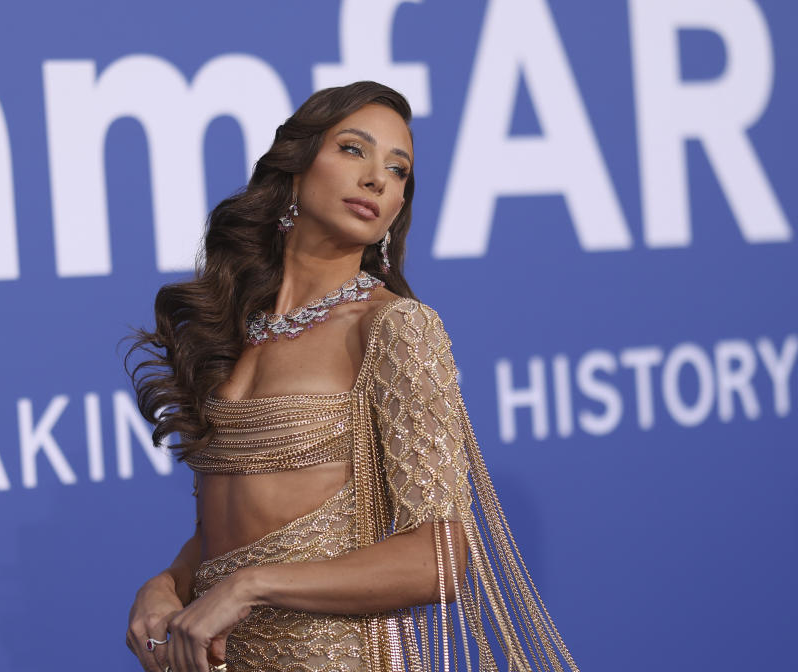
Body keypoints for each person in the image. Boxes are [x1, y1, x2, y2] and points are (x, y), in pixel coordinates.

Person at [125, 81, 580, 672]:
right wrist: (165, 583)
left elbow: (439, 558)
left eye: (399, 169)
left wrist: (249, 587)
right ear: (295, 168)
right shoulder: (236, 329)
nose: (377, 178)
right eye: (353, 149)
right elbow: (232, 528)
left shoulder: (394, 328)